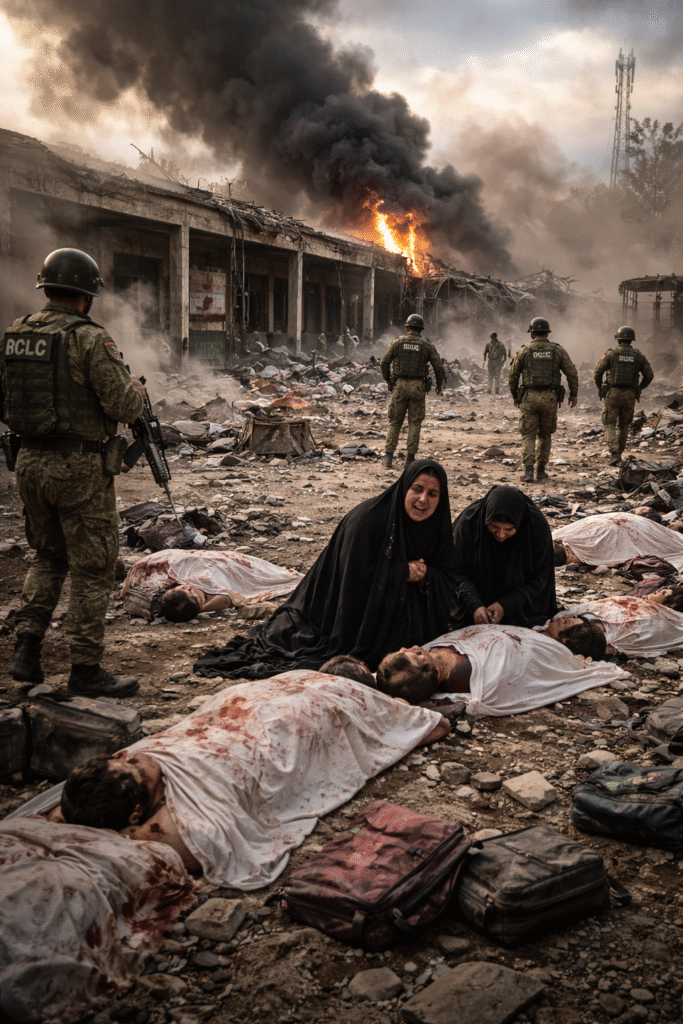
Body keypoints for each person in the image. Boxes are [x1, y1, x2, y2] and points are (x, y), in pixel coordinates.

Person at [56, 671, 450, 885]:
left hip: (247, 703)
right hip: (288, 724)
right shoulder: (184, 827)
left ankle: (370, 701)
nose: (135, 755)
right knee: (348, 716)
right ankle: (390, 712)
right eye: (138, 768)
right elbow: (183, 846)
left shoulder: (111, 781)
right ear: (136, 812)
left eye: (125, 758)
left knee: (260, 695)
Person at [0, 248, 145, 697]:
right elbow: (122, 404)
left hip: (28, 463)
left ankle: (27, 647)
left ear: (47, 288)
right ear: (87, 296)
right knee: (93, 567)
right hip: (78, 468)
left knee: (47, 557)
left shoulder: (15, 334)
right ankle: (85, 669)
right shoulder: (88, 338)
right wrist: (136, 390)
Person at [193, 459, 457, 679]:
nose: (423, 499)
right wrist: (400, 573)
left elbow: (448, 572)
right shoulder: (367, 521)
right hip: (340, 615)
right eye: (417, 489)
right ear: (403, 489)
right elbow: (351, 581)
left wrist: (426, 577)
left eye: (432, 494)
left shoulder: (436, 527)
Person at [375, 619, 621, 717]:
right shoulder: (466, 673)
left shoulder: (430, 665)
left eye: (409, 650)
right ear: (436, 675)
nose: (418, 646)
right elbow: (518, 664)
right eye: (419, 654)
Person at [449, 485, 558, 631]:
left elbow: (540, 576)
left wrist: (505, 605)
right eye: (494, 526)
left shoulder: (536, 527)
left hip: (520, 602)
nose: (500, 535)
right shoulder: (468, 523)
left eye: (509, 529)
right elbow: (455, 570)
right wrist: (474, 604)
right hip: (473, 596)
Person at [120, 548, 303, 622]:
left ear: (185, 587)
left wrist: (198, 607)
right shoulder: (208, 583)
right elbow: (227, 598)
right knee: (269, 577)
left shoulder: (203, 579)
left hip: (189, 559)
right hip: (206, 562)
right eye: (203, 598)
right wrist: (199, 608)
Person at [508, 316, 578, 483]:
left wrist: (514, 395)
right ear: (547, 333)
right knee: (545, 435)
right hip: (550, 398)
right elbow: (571, 372)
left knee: (528, 435)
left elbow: (513, 374)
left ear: (532, 334)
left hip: (529, 398)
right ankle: (540, 470)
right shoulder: (557, 351)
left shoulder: (524, 351)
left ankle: (528, 471)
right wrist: (573, 394)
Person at [380, 314, 444, 470]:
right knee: (415, 423)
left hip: (399, 386)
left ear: (408, 328)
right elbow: (438, 366)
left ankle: (388, 457)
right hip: (418, 387)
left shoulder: (398, 342)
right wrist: (439, 384)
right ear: (420, 330)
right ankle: (410, 459)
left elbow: (384, 362)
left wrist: (389, 380)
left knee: (394, 422)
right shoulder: (426, 345)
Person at [547, 587, 683, 659]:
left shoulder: (657, 619)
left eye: (663, 593)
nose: (657, 592)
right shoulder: (639, 603)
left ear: (671, 604)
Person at [594, 326, 654, 466]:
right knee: (623, 426)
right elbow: (649, 375)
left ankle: (614, 454)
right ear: (631, 340)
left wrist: (599, 387)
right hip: (629, 395)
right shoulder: (638, 356)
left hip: (612, 393)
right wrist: (640, 387)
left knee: (609, 424)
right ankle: (618, 455)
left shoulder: (611, 354)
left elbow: (598, 372)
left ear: (618, 339)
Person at [552, 511, 683, 572]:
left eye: (572, 558)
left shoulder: (577, 542)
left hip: (634, 528)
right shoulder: (573, 540)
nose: (575, 562)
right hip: (631, 526)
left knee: (672, 544)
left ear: (567, 549)